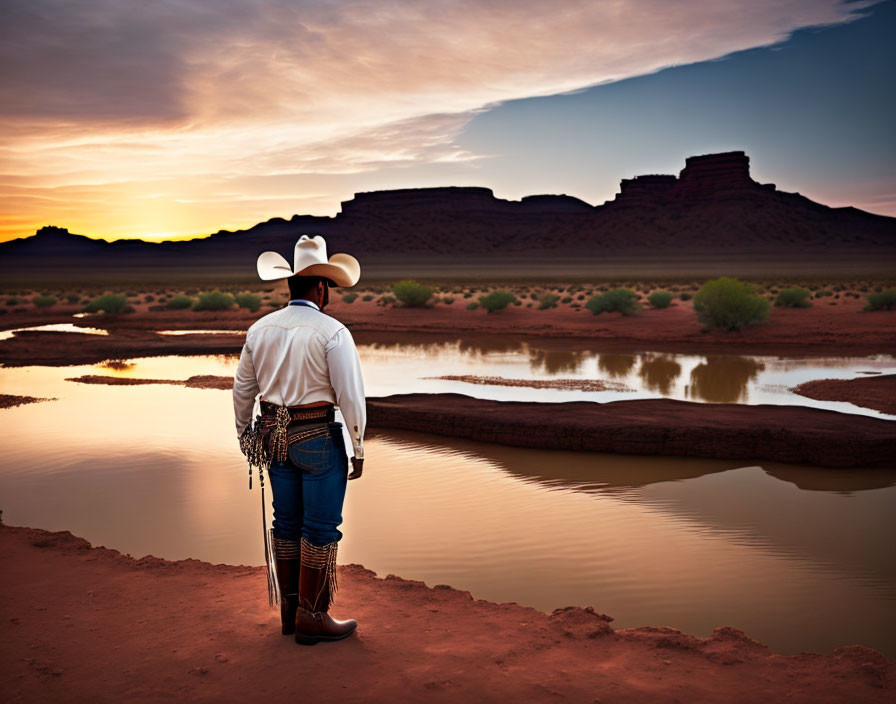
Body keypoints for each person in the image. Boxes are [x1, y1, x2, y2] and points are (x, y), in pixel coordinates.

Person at [232, 234, 365, 645]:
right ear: (321, 286)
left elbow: (242, 391)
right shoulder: (333, 331)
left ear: (290, 283)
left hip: (272, 438)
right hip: (318, 438)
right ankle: (312, 616)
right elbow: (350, 395)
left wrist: (244, 436)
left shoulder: (260, 329)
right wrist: (358, 447)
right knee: (320, 528)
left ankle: (289, 613)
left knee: (285, 524)